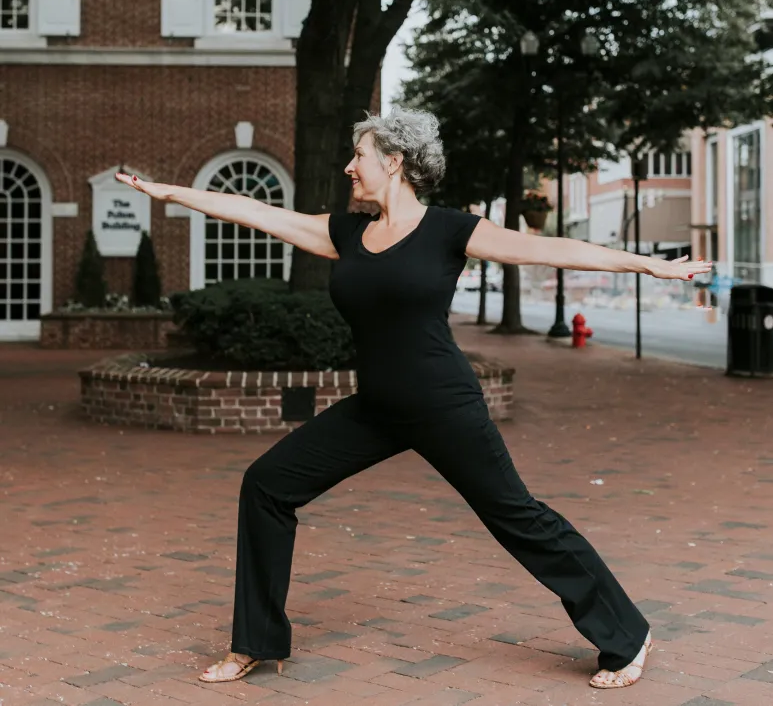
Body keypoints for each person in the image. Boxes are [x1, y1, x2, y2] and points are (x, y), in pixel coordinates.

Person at [116, 107, 710, 690]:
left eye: (360, 156)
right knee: (267, 484)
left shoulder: (451, 231)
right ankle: (256, 641)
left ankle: (627, 634)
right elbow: (255, 211)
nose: (350, 167)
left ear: (395, 162)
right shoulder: (347, 233)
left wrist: (648, 267)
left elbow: (552, 249)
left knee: (519, 519)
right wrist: (171, 194)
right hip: (376, 408)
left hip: (443, 405)